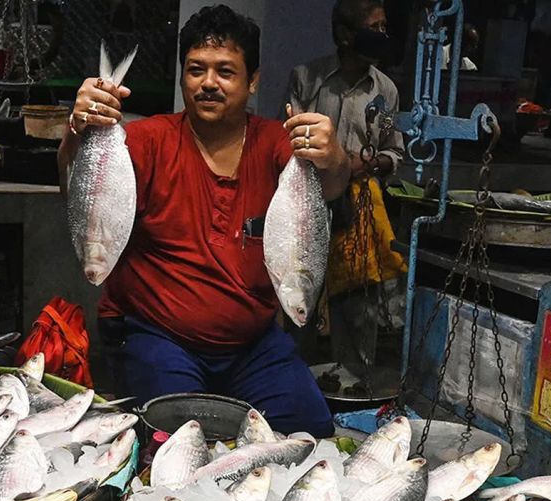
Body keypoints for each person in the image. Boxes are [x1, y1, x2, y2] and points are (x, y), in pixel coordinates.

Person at [56, 5, 353, 437]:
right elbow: (76, 189)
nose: (208, 83)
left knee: (310, 433)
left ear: (252, 81)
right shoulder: (146, 140)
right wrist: (77, 128)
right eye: (196, 70)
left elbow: (332, 185)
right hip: (158, 338)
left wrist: (335, 155)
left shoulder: (275, 144)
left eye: (226, 72)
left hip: (254, 347)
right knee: (177, 438)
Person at [286, 0, 407, 373]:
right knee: (299, 299)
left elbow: (395, 152)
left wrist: (365, 162)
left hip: (358, 212)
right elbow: (286, 138)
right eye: (376, 26)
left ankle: (351, 383)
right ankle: (288, 380)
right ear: (345, 35)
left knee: (356, 306)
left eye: (385, 27)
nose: (383, 35)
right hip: (309, 205)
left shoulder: (384, 89)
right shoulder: (308, 78)